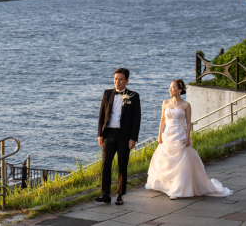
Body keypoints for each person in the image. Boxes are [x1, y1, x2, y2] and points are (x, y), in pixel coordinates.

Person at [145, 79, 232, 199]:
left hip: (180, 135)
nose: (170, 90)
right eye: (170, 87)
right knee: (166, 161)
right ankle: (165, 185)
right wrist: (159, 135)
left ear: (180, 90)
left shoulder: (186, 105)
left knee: (180, 163)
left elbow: (188, 123)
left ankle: (176, 189)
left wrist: (187, 137)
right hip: (168, 135)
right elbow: (163, 120)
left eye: (173, 88)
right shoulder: (165, 102)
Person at [96, 68, 141, 205]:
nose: (117, 82)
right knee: (105, 164)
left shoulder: (133, 96)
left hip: (124, 136)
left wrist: (133, 138)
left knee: (122, 165)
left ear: (126, 80)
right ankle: (105, 194)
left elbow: (136, 119)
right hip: (109, 134)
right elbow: (102, 115)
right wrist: (100, 134)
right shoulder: (107, 93)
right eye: (115, 79)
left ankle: (120, 194)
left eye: (120, 79)